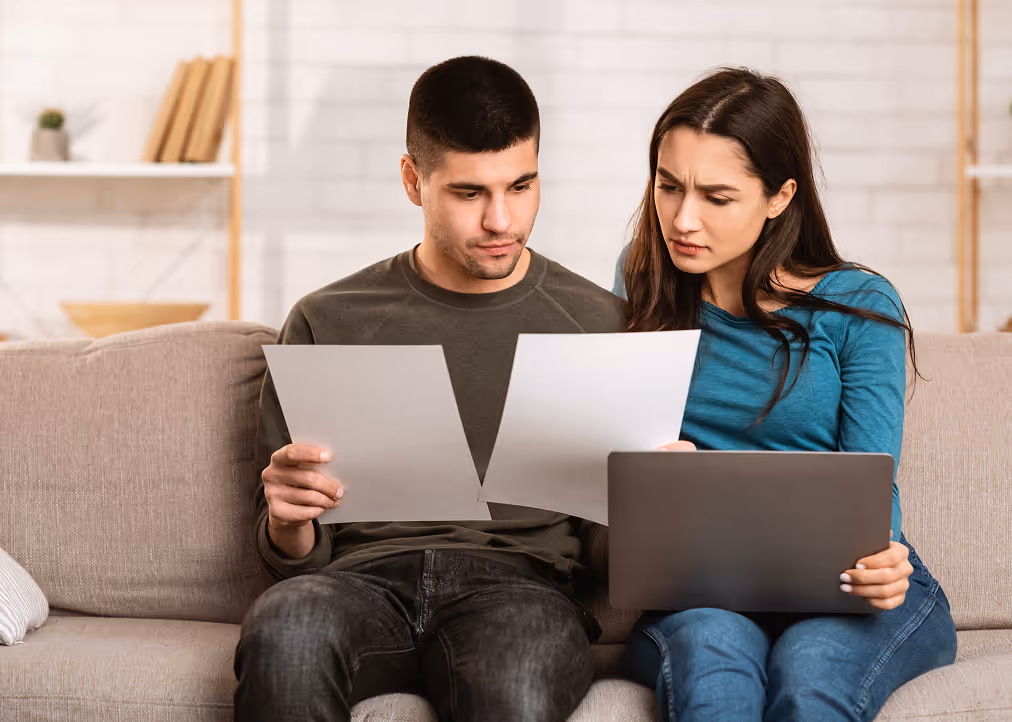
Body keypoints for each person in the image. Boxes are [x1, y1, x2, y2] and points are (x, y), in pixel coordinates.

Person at [232, 56, 625, 722]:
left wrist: (642, 502)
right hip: (357, 582)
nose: (502, 219)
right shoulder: (327, 319)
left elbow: (603, 557)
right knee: (286, 633)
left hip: (521, 588)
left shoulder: (600, 324)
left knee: (515, 684)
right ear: (414, 181)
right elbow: (295, 560)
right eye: (470, 193)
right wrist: (287, 521)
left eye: (522, 185)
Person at [613, 67, 957, 721]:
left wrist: (883, 554)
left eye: (717, 197)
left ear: (780, 195)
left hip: (844, 585)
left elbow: (872, 483)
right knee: (713, 663)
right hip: (701, 591)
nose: (682, 219)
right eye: (668, 186)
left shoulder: (857, 306)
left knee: (811, 672)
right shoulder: (641, 289)